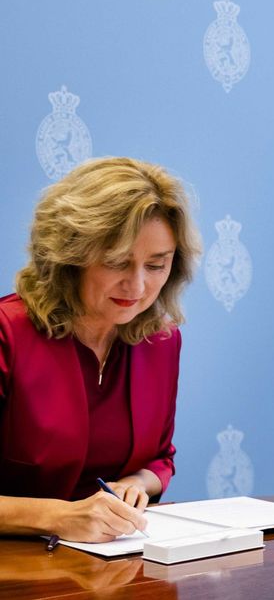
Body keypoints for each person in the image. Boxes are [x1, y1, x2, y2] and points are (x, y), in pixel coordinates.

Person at [0, 157, 200, 543]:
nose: (138, 286)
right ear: (71, 255)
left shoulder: (161, 340)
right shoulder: (8, 334)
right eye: (117, 262)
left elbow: (159, 459)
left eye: (156, 265)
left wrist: (134, 483)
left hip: (114, 566)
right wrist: (59, 516)